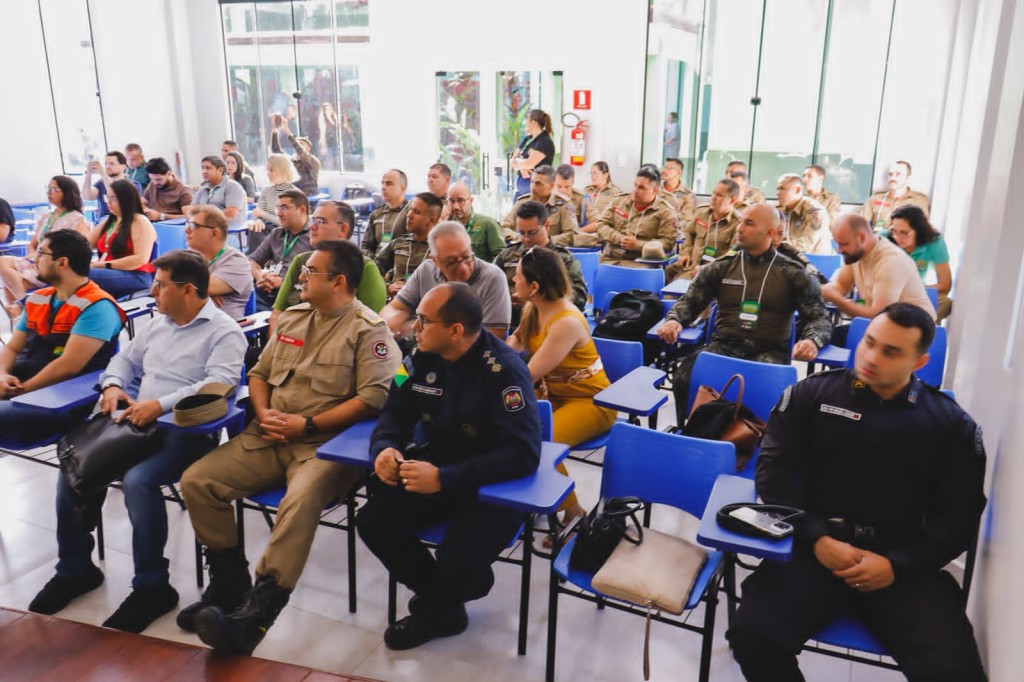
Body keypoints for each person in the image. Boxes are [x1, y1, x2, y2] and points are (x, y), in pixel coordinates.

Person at [728, 303, 987, 682]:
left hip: (901, 565)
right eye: (869, 342)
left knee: (955, 673)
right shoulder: (812, 395)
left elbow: (959, 516)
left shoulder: (950, 425)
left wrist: (897, 565)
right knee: (754, 638)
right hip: (816, 550)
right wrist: (815, 537)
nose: (872, 357)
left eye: (891, 352)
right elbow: (774, 473)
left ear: (919, 362)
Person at [179, 240, 399, 655]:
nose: (300, 277)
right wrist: (263, 413)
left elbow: (374, 398)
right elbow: (259, 373)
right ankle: (229, 582)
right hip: (270, 435)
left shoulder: (369, 330)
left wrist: (308, 424)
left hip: (324, 446)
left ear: (338, 282)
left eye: (311, 271)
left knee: (298, 501)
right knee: (197, 480)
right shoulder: (295, 318)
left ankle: (257, 614)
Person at [28, 250, 246, 633]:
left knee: (138, 481)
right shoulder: (159, 323)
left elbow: (219, 384)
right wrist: (113, 386)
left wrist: (159, 405)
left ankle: (152, 587)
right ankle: (75, 570)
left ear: (188, 289)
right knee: (75, 461)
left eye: (160, 285)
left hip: (184, 432)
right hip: (135, 425)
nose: (153, 292)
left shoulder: (223, 331)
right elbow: (125, 360)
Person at [357, 282, 541, 650]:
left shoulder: (503, 371)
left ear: (456, 330)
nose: (414, 327)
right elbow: (394, 412)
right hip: (437, 468)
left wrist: (445, 478)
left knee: (458, 561)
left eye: (424, 321)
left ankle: (439, 604)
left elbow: (523, 453)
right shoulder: (416, 359)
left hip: (491, 484)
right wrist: (385, 448)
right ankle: (442, 607)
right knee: (374, 521)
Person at [658, 203, 832, 426]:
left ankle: (758, 437)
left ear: (770, 233)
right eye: (740, 221)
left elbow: (819, 317)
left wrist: (812, 340)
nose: (739, 228)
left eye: (749, 223)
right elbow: (690, 301)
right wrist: (674, 320)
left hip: (769, 351)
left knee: (764, 390)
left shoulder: (793, 272)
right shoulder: (721, 267)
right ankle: (694, 431)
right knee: (685, 376)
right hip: (725, 345)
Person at [506, 248, 614, 537]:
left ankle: (573, 510)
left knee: (539, 446)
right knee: (511, 432)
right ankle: (526, 500)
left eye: (517, 276)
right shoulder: (534, 309)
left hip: (591, 402)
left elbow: (527, 374)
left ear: (534, 286)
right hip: (554, 396)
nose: (513, 280)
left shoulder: (566, 321)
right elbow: (514, 343)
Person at [0, 230, 124, 440]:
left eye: (41, 253)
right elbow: (12, 347)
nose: (34, 259)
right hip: (21, 384)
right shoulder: (38, 298)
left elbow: (68, 366)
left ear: (62, 262)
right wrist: (2, 375)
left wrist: (20, 391)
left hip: (59, 401)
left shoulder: (97, 307)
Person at [270, 200, 387, 333]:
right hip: (295, 338)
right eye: (312, 220)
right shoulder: (300, 262)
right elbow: (277, 315)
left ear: (342, 229)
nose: (312, 226)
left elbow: (370, 326)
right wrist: (277, 343)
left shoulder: (364, 268)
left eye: (320, 221)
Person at [381, 222, 512, 340]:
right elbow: (396, 308)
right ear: (434, 260)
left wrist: (433, 335)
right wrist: (393, 322)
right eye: (452, 262)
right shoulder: (426, 270)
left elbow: (494, 335)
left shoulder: (493, 277)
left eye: (467, 256)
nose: (463, 268)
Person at [821, 215, 936, 333]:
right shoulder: (855, 253)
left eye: (844, 244)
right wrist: (817, 290)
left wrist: (837, 300)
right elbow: (841, 286)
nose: (839, 250)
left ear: (862, 238)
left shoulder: (892, 262)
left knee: (835, 337)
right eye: (838, 244)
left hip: (916, 331)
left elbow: (877, 315)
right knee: (829, 335)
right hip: (887, 325)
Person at [1, 176, 91, 317]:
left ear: (67, 193)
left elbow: (80, 249)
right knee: (3, 263)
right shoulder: (46, 217)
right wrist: (33, 255)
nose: (49, 192)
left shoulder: (77, 219)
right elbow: (32, 245)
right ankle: (23, 309)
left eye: (54, 189)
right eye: (48, 189)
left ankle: (24, 311)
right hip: (36, 261)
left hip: (55, 264)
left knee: (11, 283)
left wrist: (45, 258)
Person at [493, 200, 588, 326]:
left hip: (548, 323)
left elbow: (579, 298)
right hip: (509, 321)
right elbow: (491, 284)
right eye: (521, 233)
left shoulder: (564, 260)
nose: (526, 238)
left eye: (532, 233)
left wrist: (537, 302)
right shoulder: (507, 256)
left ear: (547, 225)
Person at [87, 180, 158, 298]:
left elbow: (140, 259)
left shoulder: (139, 221)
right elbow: (85, 245)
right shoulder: (109, 221)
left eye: (113, 199)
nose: (108, 202)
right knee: (66, 271)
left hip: (136, 275)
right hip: (109, 271)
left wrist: (101, 265)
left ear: (126, 200)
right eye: (107, 198)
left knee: (81, 275)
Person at [594, 166, 677, 265]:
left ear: (654, 190)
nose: (635, 190)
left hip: (642, 262)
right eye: (635, 185)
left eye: (641, 188)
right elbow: (601, 225)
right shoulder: (619, 201)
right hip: (611, 259)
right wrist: (620, 238)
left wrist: (638, 245)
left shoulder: (665, 211)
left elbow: (668, 243)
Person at [185, 205, 253, 320]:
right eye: (187, 225)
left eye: (193, 226)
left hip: (219, 327)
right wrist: (202, 295)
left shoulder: (237, 261)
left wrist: (202, 291)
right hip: (187, 324)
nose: (186, 230)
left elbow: (205, 287)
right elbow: (164, 282)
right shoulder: (188, 256)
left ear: (214, 233)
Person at [248, 190, 312, 311]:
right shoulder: (277, 234)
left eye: (284, 208)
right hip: (269, 288)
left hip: (295, 293)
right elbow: (253, 260)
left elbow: (317, 279)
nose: (279, 214)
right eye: (277, 208)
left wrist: (284, 283)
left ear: (302, 210)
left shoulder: (314, 237)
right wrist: (260, 276)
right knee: (243, 294)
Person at [886, 205, 953, 321]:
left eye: (904, 233)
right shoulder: (884, 238)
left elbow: (945, 285)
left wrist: (914, 289)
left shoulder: (935, 243)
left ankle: (920, 329)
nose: (897, 237)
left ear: (919, 230)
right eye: (894, 231)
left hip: (917, 293)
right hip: (887, 291)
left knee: (945, 302)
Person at [669, 178, 742, 282]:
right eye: (713, 193)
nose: (713, 198)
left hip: (713, 274)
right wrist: (685, 253)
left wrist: (705, 269)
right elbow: (689, 233)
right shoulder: (701, 212)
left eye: (719, 195)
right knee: (665, 273)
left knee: (677, 287)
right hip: (690, 266)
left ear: (732, 200)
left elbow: (731, 257)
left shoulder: (737, 224)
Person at [376, 193, 440, 298]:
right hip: (395, 303)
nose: (409, 215)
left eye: (416, 212)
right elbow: (375, 270)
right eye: (410, 209)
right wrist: (387, 286)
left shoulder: (441, 250)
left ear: (432, 220)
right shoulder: (398, 243)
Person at [501, 165, 579, 244]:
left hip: (552, 249)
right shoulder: (522, 203)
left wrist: (546, 241)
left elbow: (572, 233)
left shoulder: (563, 205)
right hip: (524, 247)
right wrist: (518, 237)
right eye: (532, 182)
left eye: (538, 184)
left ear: (551, 185)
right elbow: (504, 227)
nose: (533, 187)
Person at [246, 153, 300, 253]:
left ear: (282, 169)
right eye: (268, 170)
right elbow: (257, 213)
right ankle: (255, 259)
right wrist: (258, 221)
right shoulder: (266, 191)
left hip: (285, 232)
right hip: (267, 229)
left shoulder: (294, 194)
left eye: (271, 170)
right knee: (255, 229)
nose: (268, 174)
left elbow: (287, 224)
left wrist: (264, 215)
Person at [860, 160, 931, 231]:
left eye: (898, 174)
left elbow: (921, 229)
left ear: (908, 178)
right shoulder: (876, 198)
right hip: (876, 237)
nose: (893, 178)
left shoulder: (918, 200)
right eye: (890, 174)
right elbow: (860, 223)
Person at [446, 182, 504, 262]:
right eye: (451, 201)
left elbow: (501, 257)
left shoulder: (488, 224)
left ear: (471, 200)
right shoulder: (446, 228)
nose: (456, 206)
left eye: (460, 200)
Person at [776, 174, 831, 254]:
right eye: (777, 189)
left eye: (782, 189)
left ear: (797, 190)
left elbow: (804, 245)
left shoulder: (815, 211)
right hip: (790, 256)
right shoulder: (780, 209)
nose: (778, 193)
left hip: (813, 259)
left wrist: (774, 247)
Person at [362, 169, 410, 259]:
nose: (383, 187)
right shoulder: (376, 214)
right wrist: (375, 262)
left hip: (400, 263)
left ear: (402, 188)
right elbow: (365, 247)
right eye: (382, 183)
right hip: (376, 262)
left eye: (389, 183)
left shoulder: (411, 213)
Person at [82, 151, 140, 221]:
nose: (107, 167)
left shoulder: (132, 185)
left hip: (123, 220)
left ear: (123, 167)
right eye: (106, 164)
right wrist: (88, 175)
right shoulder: (100, 183)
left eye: (111, 164)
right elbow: (87, 197)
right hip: (102, 220)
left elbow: (117, 194)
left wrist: (103, 173)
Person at [511, 109, 556, 199]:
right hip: (521, 188)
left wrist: (519, 163)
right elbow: (512, 160)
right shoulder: (527, 139)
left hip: (536, 189)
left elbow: (530, 163)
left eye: (527, 120)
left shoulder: (544, 141)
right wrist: (522, 167)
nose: (525, 123)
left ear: (533, 123)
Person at [271, 115, 321, 195]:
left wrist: (288, 132)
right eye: (298, 143)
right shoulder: (292, 160)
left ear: (309, 148)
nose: (297, 146)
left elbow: (301, 152)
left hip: (307, 193)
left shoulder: (313, 161)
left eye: (301, 144)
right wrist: (275, 130)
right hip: (292, 193)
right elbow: (277, 152)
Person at [193, 156, 246, 229]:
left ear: (220, 170)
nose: (204, 171)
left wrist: (204, 218)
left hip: (229, 231)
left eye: (208, 168)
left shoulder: (233, 187)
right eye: (203, 168)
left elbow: (231, 214)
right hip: (207, 230)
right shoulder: (203, 189)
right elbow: (192, 211)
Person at [141, 157, 193, 223]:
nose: (155, 183)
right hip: (153, 223)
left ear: (168, 174)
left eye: (158, 179)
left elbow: (189, 217)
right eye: (152, 179)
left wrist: (161, 216)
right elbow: (141, 203)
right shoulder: (152, 184)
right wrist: (146, 210)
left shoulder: (183, 190)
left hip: (172, 226)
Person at [661, 157, 697, 230]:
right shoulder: (654, 189)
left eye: (669, 168)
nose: (664, 171)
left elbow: (687, 219)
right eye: (664, 167)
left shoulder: (688, 194)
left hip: (674, 230)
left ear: (679, 172)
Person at [583, 161, 621, 227]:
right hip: (586, 226)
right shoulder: (587, 190)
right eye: (591, 173)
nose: (592, 176)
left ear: (605, 175)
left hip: (603, 227)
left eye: (595, 173)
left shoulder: (615, 192)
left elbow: (618, 217)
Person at [317, 102, 340, 170]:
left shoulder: (334, 116)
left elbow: (338, 129)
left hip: (335, 142)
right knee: (329, 162)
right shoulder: (322, 117)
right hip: (327, 142)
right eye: (326, 109)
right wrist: (324, 145)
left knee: (337, 161)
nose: (328, 110)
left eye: (329, 108)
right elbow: (322, 132)